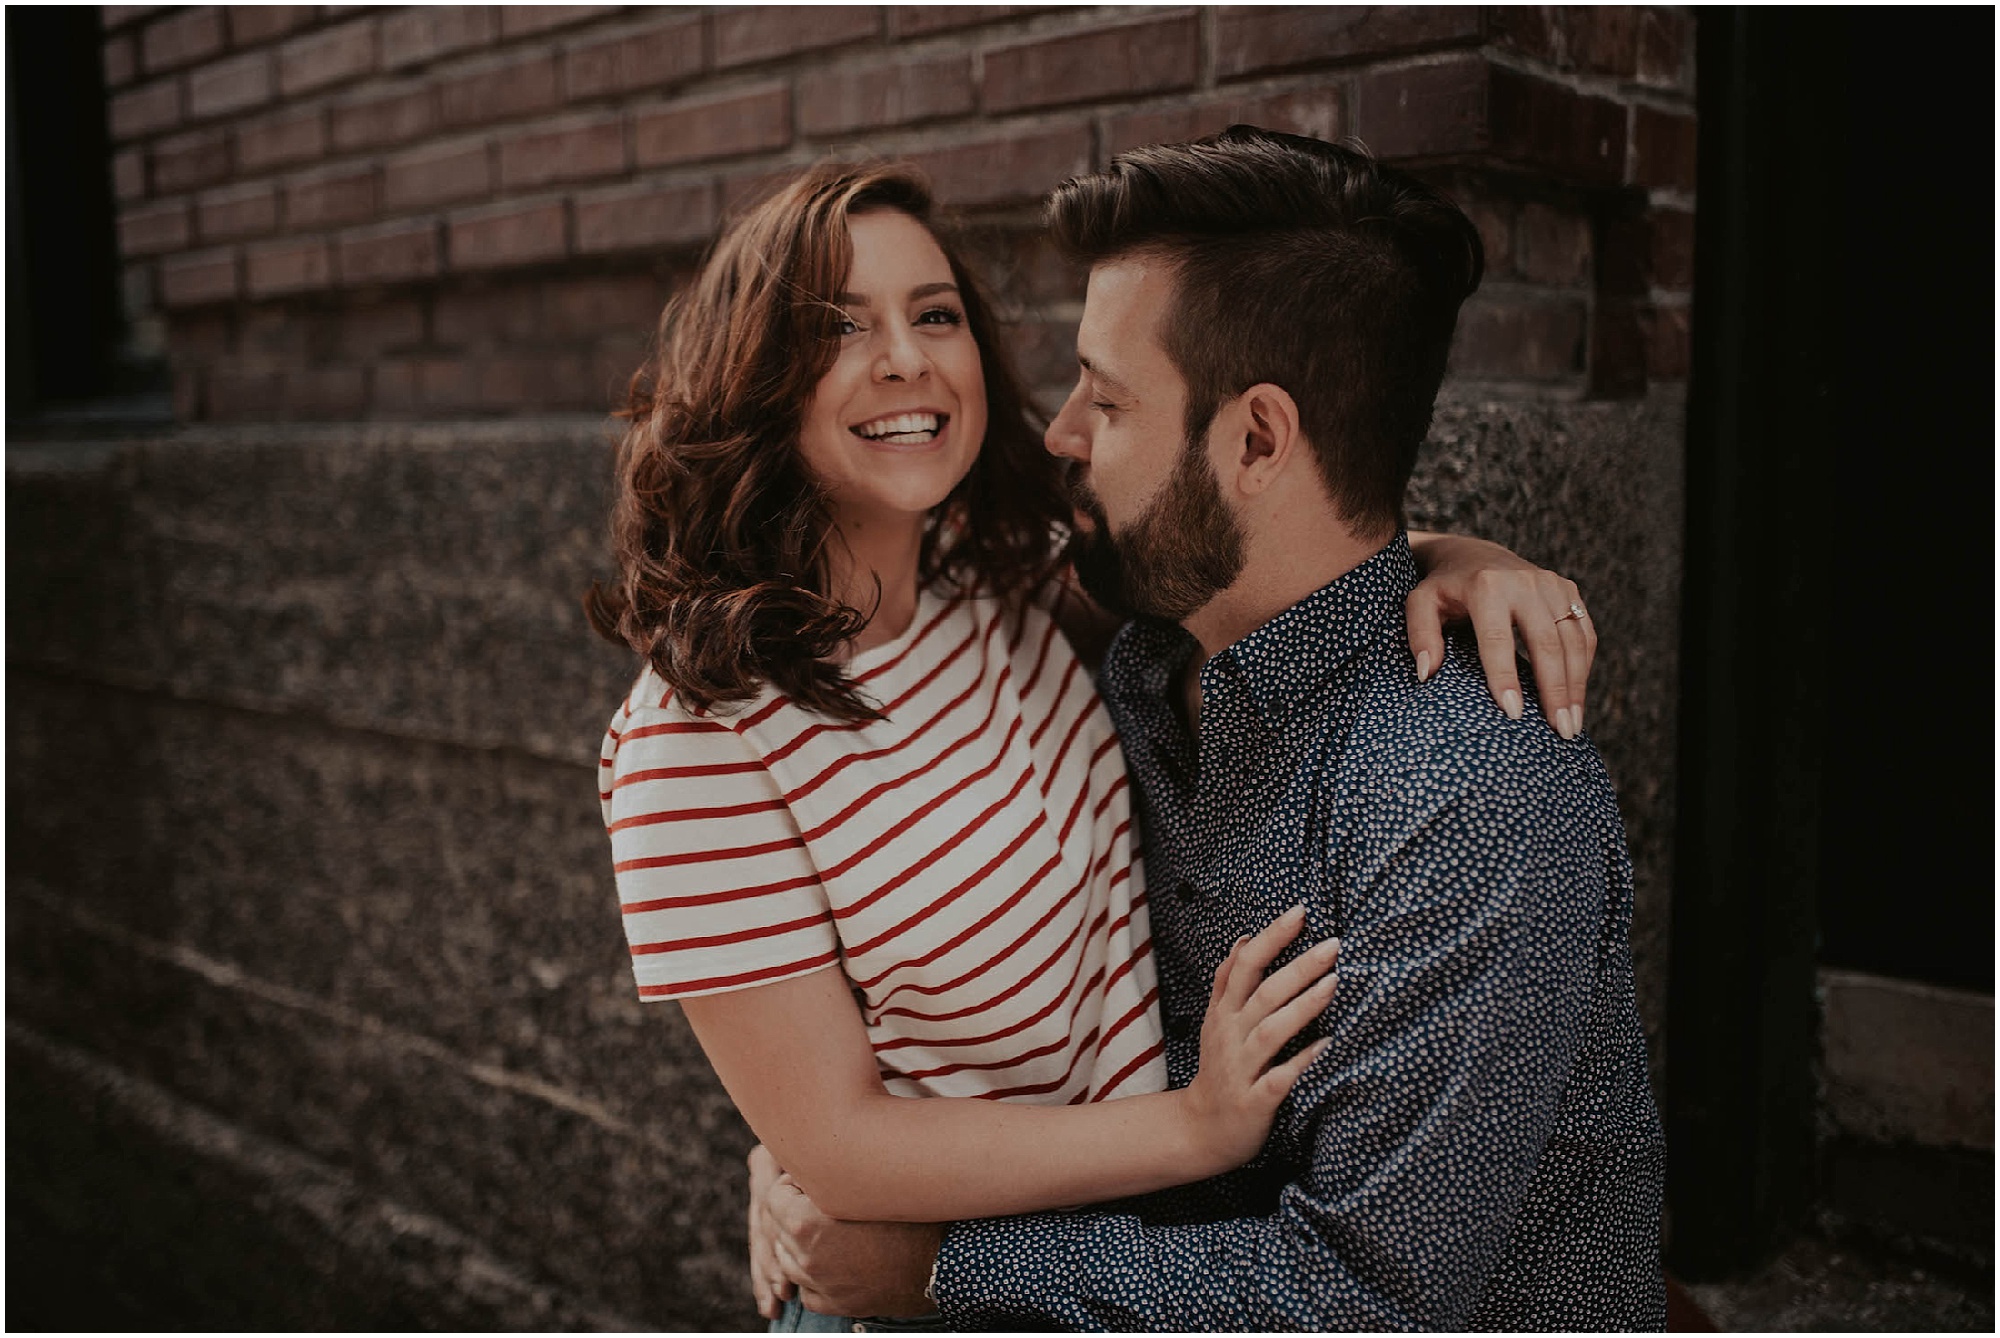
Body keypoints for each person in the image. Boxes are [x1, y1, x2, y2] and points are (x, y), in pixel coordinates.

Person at [587, 158, 1605, 1333]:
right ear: (752, 377)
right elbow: (837, 1143)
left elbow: (1289, 550)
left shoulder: (1006, 594)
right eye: (836, 326)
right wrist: (1181, 1132)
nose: (906, 358)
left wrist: (1462, 559)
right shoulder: (697, 739)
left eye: (935, 314)